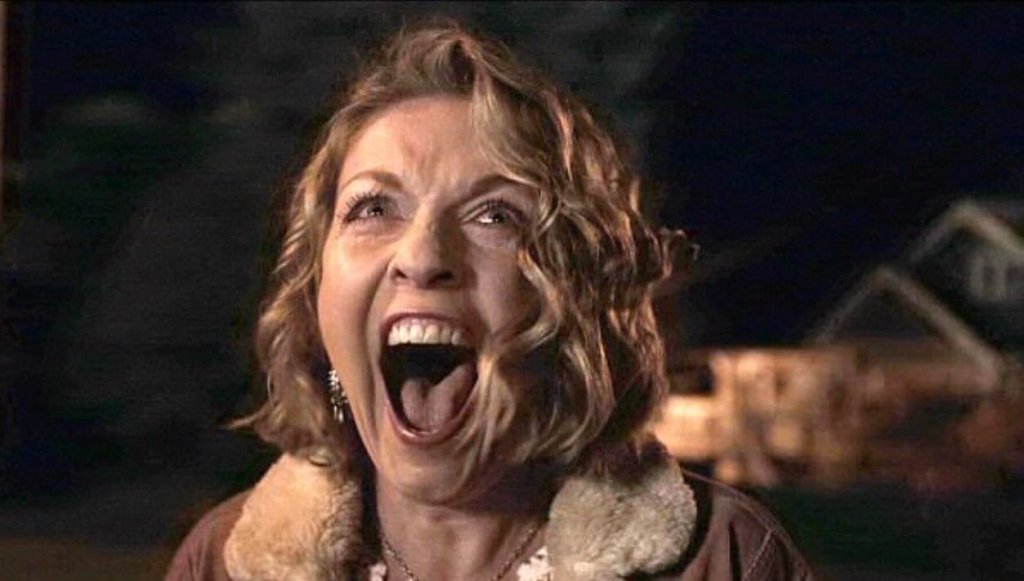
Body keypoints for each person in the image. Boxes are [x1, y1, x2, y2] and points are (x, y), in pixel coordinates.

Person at [166, 22, 812, 581]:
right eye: (374, 207)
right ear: (316, 297)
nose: (422, 256)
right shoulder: (220, 563)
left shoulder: (725, 556)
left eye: (495, 215)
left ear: (573, 295)